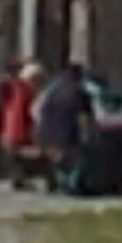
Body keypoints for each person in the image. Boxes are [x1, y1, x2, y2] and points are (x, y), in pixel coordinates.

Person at [32, 58, 92, 194]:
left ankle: (59, 184)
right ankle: (69, 186)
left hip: (46, 130)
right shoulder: (77, 90)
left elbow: (36, 108)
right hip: (65, 132)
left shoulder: (52, 88)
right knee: (74, 160)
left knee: (57, 161)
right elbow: (86, 111)